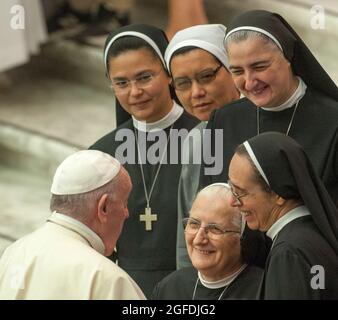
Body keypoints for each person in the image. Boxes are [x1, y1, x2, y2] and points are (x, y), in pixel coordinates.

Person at [90, 24, 199, 297]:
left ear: (168, 74)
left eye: (144, 77)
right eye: (122, 83)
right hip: (122, 287)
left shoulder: (205, 137)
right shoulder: (100, 154)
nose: (135, 91)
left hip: (192, 284)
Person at [201, 10, 338, 208]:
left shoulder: (332, 122)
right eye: (237, 71)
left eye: (259, 67)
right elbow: (208, 201)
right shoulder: (223, 120)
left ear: (288, 56)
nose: (249, 82)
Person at [0, 150, 145, 300]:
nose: (126, 213)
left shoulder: (13, 253)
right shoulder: (106, 279)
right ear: (104, 207)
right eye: (125, 203)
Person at [164, 24, 240, 268]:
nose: (196, 92)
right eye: (183, 83)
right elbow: (188, 226)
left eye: (206, 76)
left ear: (232, 69)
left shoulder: (266, 129)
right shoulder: (195, 139)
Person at [228, 132, 338, 299]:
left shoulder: (288, 254)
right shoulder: (312, 236)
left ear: (279, 194)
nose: (232, 202)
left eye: (240, 192)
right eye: (231, 189)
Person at [151, 183, 263, 300]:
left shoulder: (264, 290)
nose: (199, 239)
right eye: (194, 224)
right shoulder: (169, 288)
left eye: (215, 229)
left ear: (241, 237)